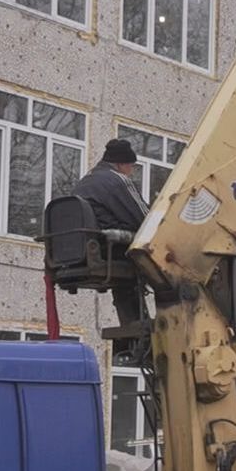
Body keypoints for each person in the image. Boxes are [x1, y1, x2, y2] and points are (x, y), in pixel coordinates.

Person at [71, 138, 150, 330]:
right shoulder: (118, 180)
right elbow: (146, 221)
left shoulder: (84, 182)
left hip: (87, 250)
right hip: (112, 249)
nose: (131, 172)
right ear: (122, 164)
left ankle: (134, 327)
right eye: (131, 167)